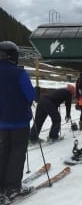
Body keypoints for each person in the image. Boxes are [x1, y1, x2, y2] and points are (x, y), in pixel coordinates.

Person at [0, 41, 36, 202]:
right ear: (12, 55)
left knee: (3, 150)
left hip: (1, 121)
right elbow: (30, 96)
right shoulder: (19, 73)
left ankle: (2, 185)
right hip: (19, 120)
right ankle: (13, 186)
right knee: (17, 151)